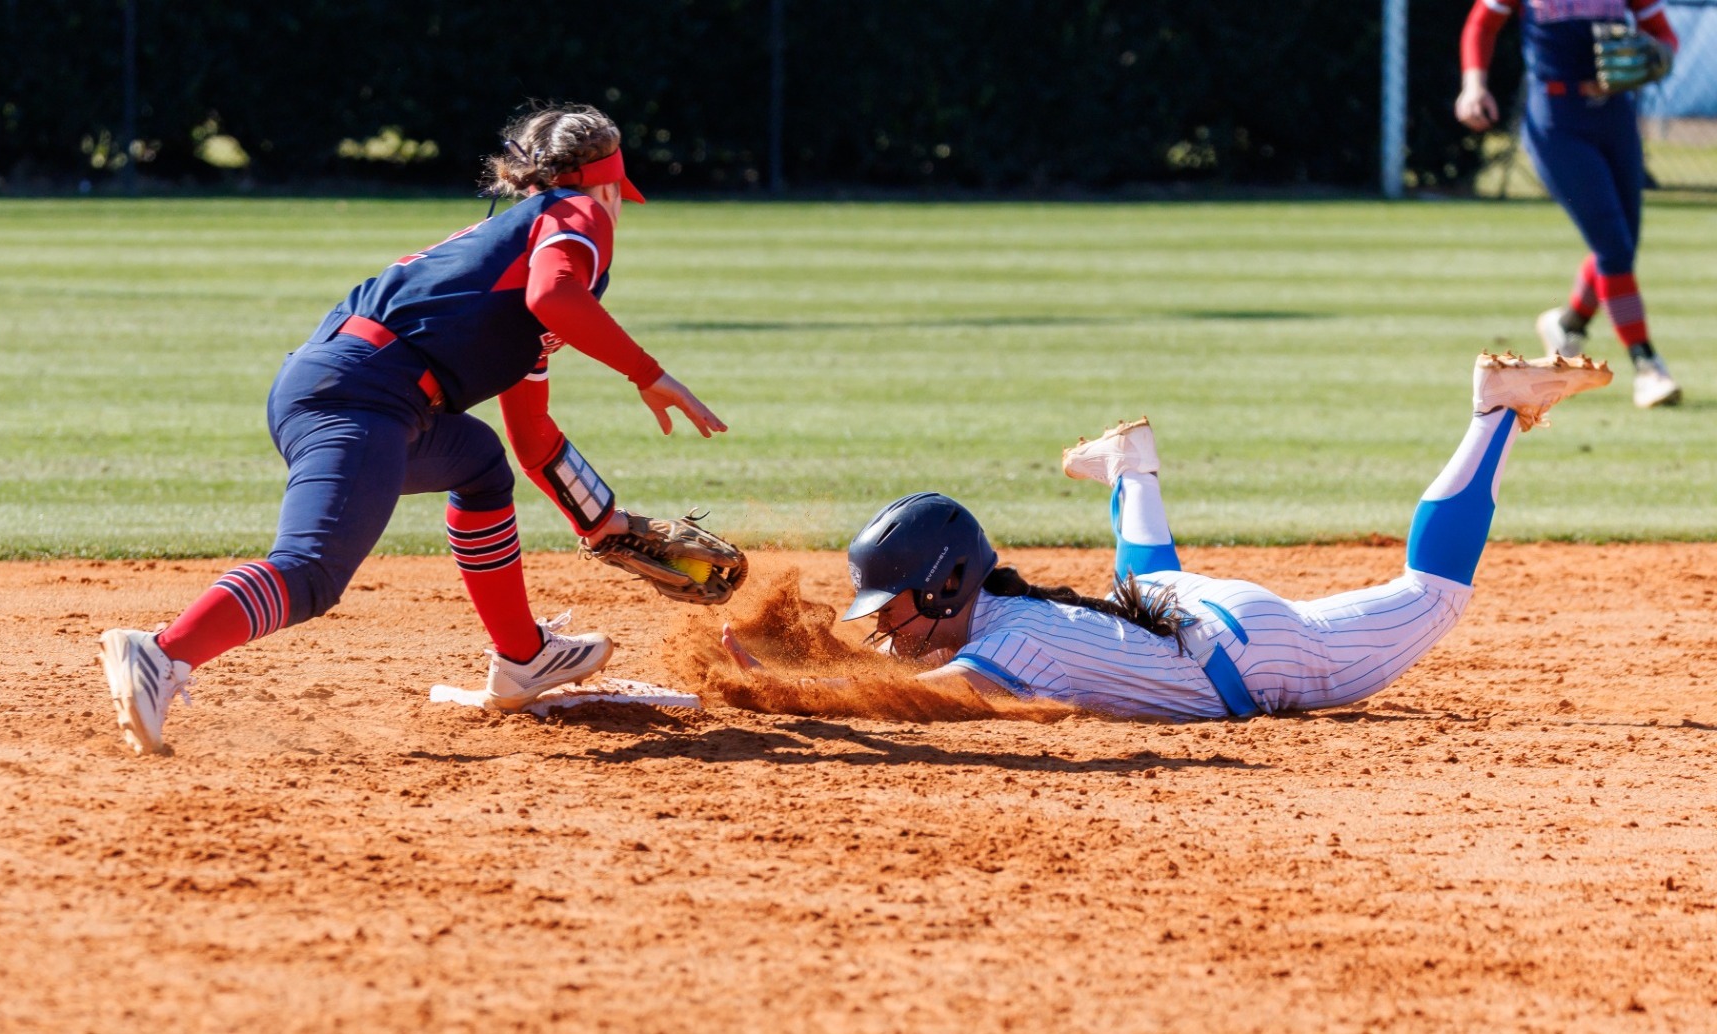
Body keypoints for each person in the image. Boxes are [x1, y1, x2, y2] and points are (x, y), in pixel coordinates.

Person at [99, 102, 727, 754]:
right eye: (619, 196)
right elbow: (555, 297)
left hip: (359, 390)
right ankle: (162, 652)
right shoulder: (580, 216)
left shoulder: (508, 254)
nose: (617, 209)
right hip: (363, 397)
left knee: (479, 464)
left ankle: (524, 657)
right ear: (604, 184)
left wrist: (603, 523)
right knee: (311, 572)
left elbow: (532, 440)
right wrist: (647, 372)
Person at [724, 353, 1610, 721]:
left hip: (1263, 651)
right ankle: (1129, 467)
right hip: (1183, 613)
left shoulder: (1017, 641)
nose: (886, 627)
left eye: (896, 606)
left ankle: (1494, 414)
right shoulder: (1008, 612)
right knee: (1150, 584)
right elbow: (910, 667)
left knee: (1433, 594)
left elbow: (928, 704)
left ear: (952, 585)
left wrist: (787, 690)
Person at [1454, 0, 1682, 408]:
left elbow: (1663, 33)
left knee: (1621, 244)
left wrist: (1658, 55)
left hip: (1615, 116)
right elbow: (1481, 24)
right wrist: (1474, 84)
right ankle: (1646, 365)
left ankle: (1568, 324)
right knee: (1613, 246)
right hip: (1557, 120)